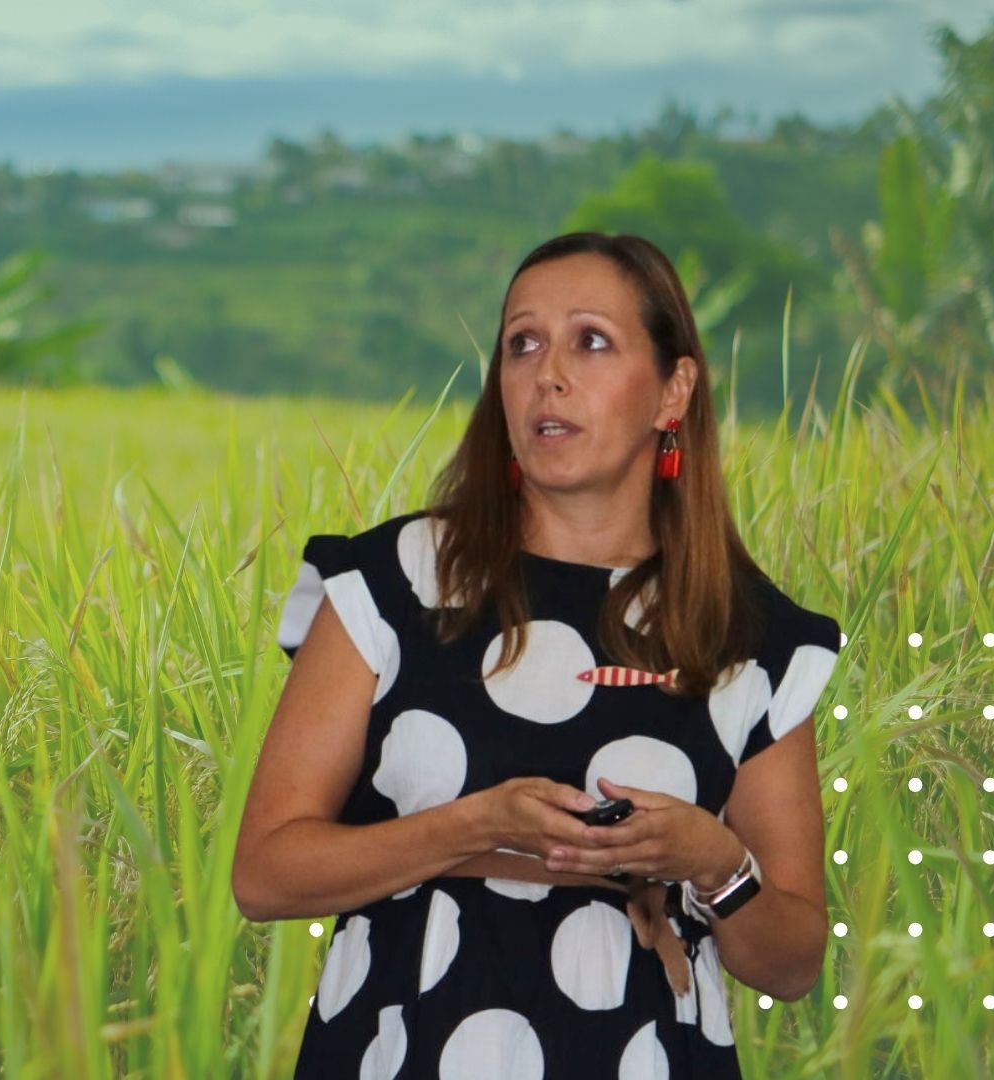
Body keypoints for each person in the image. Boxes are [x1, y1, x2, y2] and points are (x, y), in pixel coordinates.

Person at [232, 232, 844, 1079]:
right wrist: (475, 825)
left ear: (674, 390)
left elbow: (792, 963)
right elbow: (264, 877)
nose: (546, 373)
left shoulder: (755, 637)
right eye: (522, 343)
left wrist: (713, 862)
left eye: (590, 341)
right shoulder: (388, 583)